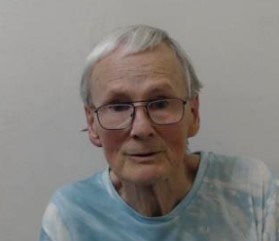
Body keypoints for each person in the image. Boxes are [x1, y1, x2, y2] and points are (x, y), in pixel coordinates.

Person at [39, 25, 278, 241]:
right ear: (93, 125)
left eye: (161, 102)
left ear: (193, 114)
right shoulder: (71, 217)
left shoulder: (252, 190)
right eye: (118, 106)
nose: (141, 129)